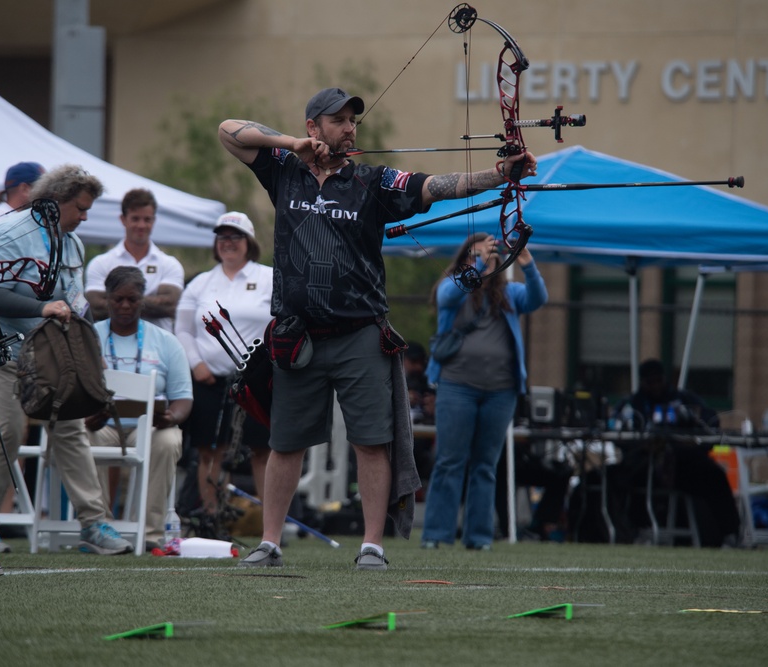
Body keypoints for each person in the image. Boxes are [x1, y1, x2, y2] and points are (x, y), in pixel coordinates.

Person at [218, 86, 538, 570]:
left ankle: (372, 545)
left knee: (371, 441)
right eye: (339, 120)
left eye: (353, 121)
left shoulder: (373, 181)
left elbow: (435, 185)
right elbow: (228, 131)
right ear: (314, 127)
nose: (349, 128)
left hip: (359, 334)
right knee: (285, 443)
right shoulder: (281, 170)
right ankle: (270, 542)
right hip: (297, 335)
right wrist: (291, 145)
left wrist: (498, 175)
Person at [0, 164, 133, 555]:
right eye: (81, 208)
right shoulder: (8, 231)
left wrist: (93, 353)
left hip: (50, 354)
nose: (85, 216)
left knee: (71, 430)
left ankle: (94, 524)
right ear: (55, 203)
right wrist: (42, 309)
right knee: (5, 432)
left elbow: (75, 304)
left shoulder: (73, 243)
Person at [421, 236, 548, 550]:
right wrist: (477, 262)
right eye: (475, 256)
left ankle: (478, 537)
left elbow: (538, 298)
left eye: (489, 256)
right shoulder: (452, 285)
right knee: (450, 461)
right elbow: (448, 296)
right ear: (465, 258)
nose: (484, 261)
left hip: (500, 391)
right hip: (456, 386)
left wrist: (527, 263)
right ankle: (437, 534)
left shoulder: (508, 293)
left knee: (485, 465)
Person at [175, 212, 273, 528]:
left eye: (235, 237)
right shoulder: (201, 283)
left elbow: (281, 324)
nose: (228, 243)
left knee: (263, 450)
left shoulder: (270, 278)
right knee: (209, 449)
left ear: (249, 243)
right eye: (223, 237)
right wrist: (196, 364)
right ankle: (211, 516)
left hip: (258, 380)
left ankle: (271, 524)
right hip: (211, 379)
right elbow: (184, 329)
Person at [85, 266, 193, 551]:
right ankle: (98, 526)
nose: (124, 305)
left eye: (132, 299)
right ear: (106, 299)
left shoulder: (166, 341)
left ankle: (150, 534)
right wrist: (86, 417)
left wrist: (171, 417)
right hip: (100, 426)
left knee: (169, 440)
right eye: (117, 299)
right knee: (78, 437)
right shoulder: (88, 337)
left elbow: (183, 398)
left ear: (142, 299)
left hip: (147, 427)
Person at [611, 358, 741, 547]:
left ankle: (730, 533)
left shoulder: (682, 400)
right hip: (646, 464)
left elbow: (709, 421)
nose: (655, 386)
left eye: (658, 380)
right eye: (650, 382)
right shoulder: (633, 404)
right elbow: (617, 431)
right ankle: (632, 531)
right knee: (620, 476)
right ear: (643, 383)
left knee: (714, 475)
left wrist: (688, 432)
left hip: (682, 464)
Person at [85, 188, 185, 331]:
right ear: (123, 219)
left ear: (154, 220)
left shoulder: (169, 264)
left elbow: (170, 306)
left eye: (147, 219)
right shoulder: (101, 263)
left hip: (158, 348)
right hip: (110, 347)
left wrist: (117, 301)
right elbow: (95, 308)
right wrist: (151, 301)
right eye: (135, 219)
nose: (141, 225)